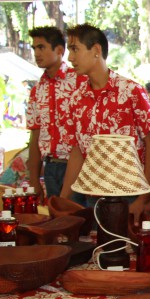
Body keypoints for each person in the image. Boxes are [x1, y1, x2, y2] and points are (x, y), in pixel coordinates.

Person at [60, 24, 150, 220]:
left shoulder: (130, 91)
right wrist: (64, 198)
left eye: (75, 49)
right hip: (94, 195)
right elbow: (77, 151)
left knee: (128, 240)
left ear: (96, 50)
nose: (70, 58)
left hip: (131, 196)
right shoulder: (76, 99)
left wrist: (144, 197)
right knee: (97, 240)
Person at [26, 26, 86, 202]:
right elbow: (35, 135)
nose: (36, 53)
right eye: (34, 48)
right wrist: (34, 179)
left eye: (41, 47)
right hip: (51, 167)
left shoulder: (80, 81)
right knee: (56, 217)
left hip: (79, 166)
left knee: (78, 216)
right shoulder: (37, 90)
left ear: (59, 50)